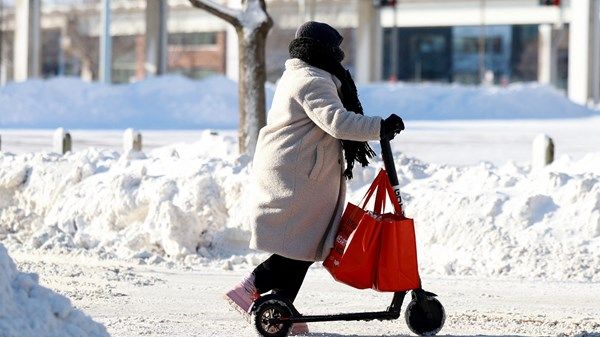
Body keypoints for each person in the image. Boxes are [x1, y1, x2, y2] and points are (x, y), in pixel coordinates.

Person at [225, 21, 405, 334]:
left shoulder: (308, 73)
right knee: (303, 244)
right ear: (321, 49)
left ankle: (281, 306)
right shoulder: (310, 79)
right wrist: (378, 127)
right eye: (334, 49)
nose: (339, 56)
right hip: (297, 174)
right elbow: (336, 121)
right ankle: (251, 286)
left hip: (302, 171)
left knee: (305, 245)